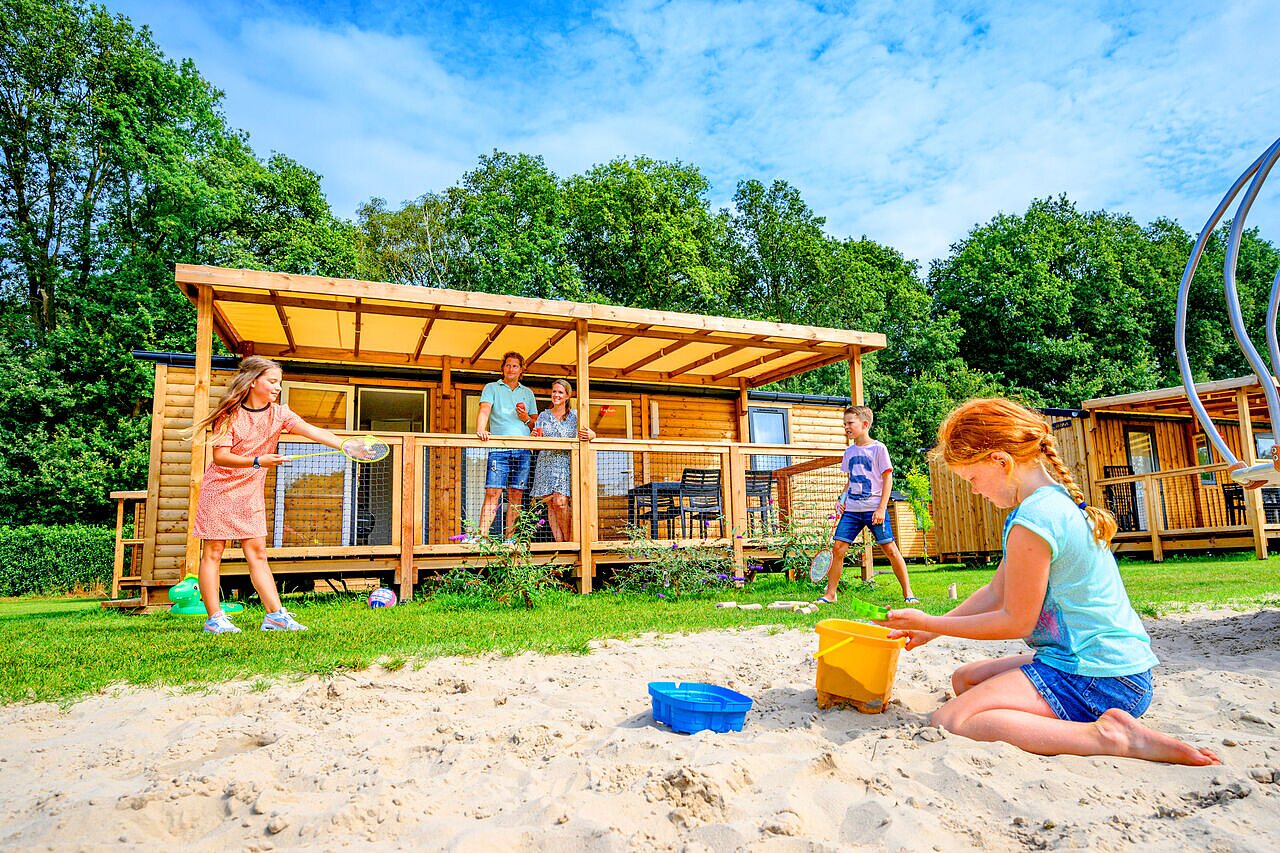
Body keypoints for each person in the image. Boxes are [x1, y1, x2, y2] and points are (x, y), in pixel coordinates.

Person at [878, 397, 1219, 765]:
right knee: (966, 681)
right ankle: (1070, 720)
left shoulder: (1033, 520)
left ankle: (1110, 737)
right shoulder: (1051, 502)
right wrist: (933, 631)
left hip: (1099, 679)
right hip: (1109, 668)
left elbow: (1016, 621)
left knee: (954, 718)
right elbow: (996, 591)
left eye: (972, 479)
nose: (975, 490)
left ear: (1000, 461)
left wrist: (929, 621)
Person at [186, 356, 352, 634]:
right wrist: (258, 461)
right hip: (220, 490)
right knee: (213, 552)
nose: (277, 387)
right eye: (272, 381)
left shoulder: (280, 414)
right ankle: (214, 619)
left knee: (258, 553)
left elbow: (312, 430)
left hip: (250, 493)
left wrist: (345, 445)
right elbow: (221, 456)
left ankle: (275, 616)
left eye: (279, 382)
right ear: (253, 383)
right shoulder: (230, 416)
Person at [817, 405, 916, 605]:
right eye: (844, 424)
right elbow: (850, 480)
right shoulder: (849, 452)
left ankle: (908, 593)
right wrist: (841, 499)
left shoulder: (879, 448)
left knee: (890, 549)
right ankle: (831, 594)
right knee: (838, 548)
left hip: (873, 509)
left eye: (850, 423)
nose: (846, 427)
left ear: (864, 424)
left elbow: (887, 479)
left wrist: (881, 508)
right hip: (852, 510)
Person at [475, 352, 538, 541]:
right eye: (508, 365)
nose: (511, 369)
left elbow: (535, 423)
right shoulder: (492, 387)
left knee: (516, 495)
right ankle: (481, 537)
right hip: (499, 448)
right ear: (503, 368)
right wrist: (481, 429)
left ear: (521, 370)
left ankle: (510, 539)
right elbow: (485, 409)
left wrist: (525, 417)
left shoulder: (527, 393)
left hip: (522, 450)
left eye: (515, 366)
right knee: (492, 492)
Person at [529, 379, 596, 541]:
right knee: (551, 505)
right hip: (546, 463)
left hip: (566, 463)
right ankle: (559, 543)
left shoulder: (575, 416)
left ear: (567, 395)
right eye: (554, 392)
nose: (556, 395)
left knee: (561, 502)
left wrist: (593, 435)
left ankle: (569, 540)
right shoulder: (544, 416)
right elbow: (537, 442)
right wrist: (533, 437)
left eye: (560, 392)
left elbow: (590, 433)